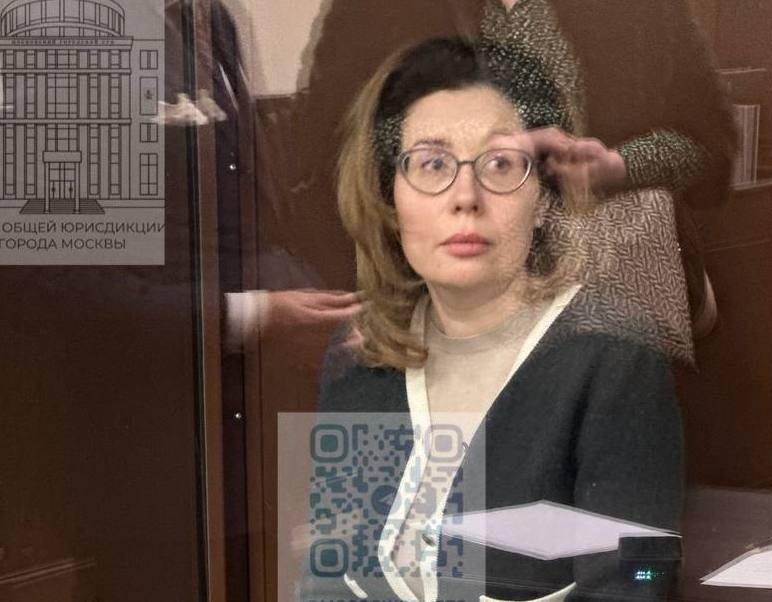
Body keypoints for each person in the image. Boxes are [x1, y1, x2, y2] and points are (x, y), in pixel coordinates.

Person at [299, 37, 683, 602]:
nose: (466, 197)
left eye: (501, 164)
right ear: (388, 197)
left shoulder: (613, 360)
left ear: (544, 197)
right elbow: (329, 576)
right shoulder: (363, 350)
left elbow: (636, 585)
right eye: (432, 164)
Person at [289, 0, 736, 362]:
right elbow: (332, 154)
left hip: (611, 295)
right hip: (432, 310)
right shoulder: (372, 9)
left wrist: (616, 166)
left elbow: (710, 144)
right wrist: (488, 155)